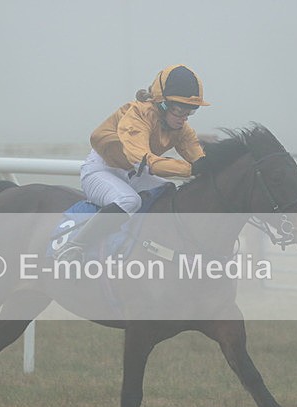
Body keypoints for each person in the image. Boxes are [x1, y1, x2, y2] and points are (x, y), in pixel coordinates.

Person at [56, 64, 211, 261]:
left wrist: (212, 164)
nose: (184, 118)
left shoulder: (181, 129)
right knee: (129, 201)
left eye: (190, 112)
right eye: (179, 110)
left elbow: (200, 158)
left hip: (133, 172)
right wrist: (192, 169)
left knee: (167, 191)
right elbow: (148, 162)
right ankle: (74, 246)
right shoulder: (137, 115)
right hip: (101, 170)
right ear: (162, 104)